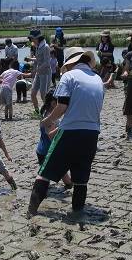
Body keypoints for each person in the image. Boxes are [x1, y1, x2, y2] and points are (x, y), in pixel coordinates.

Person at [28, 48, 104, 216]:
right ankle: (77, 213)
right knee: (81, 179)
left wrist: (47, 121)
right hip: (92, 134)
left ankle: (31, 212)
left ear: (71, 64)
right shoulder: (98, 79)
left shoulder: (68, 77)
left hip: (69, 132)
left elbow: (62, 106)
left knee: (45, 172)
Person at [35, 89, 71, 189]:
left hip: (43, 150)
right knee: (45, 177)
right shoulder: (49, 117)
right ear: (53, 103)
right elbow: (50, 135)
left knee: (61, 171)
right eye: (59, 103)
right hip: (48, 151)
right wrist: (63, 126)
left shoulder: (48, 112)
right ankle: (39, 193)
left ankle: (69, 184)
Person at [26, 30, 52, 113]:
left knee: (43, 94)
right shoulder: (38, 46)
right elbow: (38, 59)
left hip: (45, 73)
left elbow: (47, 63)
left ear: (37, 38)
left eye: (32, 38)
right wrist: (30, 59)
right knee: (33, 93)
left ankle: (49, 111)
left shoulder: (46, 47)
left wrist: (36, 69)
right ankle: (37, 111)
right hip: (39, 72)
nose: (31, 40)